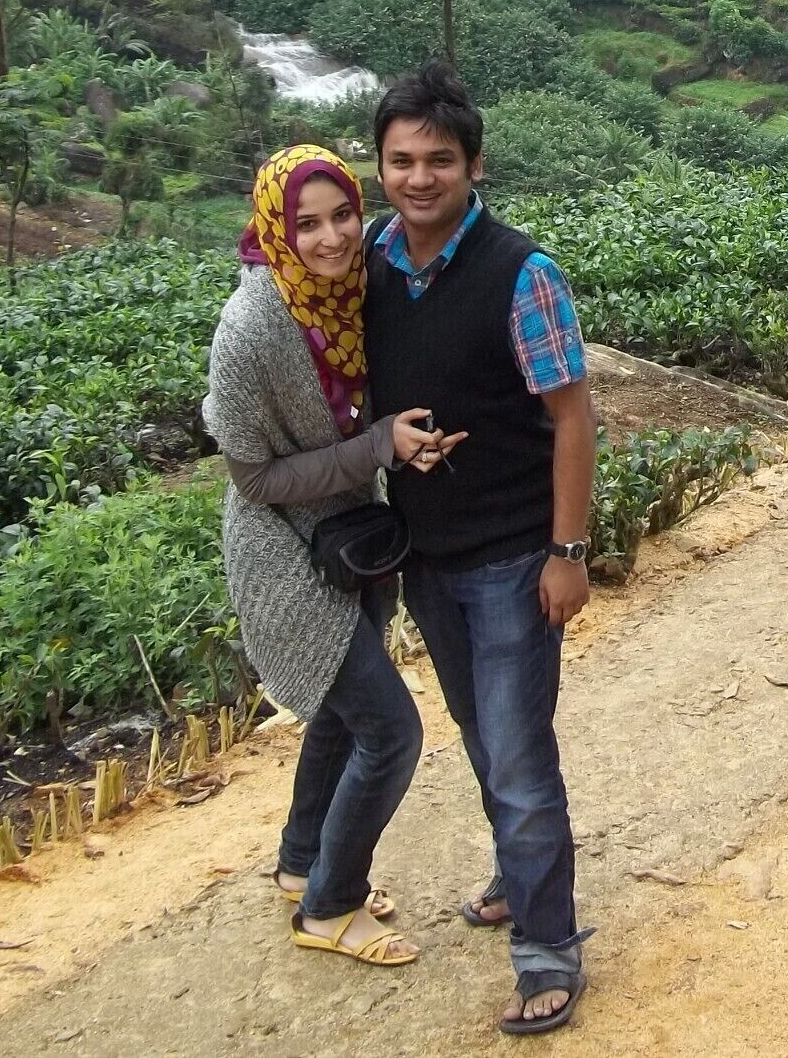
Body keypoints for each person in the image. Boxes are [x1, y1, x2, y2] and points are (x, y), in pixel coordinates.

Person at [364, 64, 597, 1036]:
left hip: (510, 556)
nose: (419, 179)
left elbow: (574, 417)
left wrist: (567, 550)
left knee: (518, 754)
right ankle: (516, 871)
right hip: (428, 555)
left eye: (440, 161)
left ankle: (548, 949)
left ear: (474, 166)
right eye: (401, 161)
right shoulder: (372, 258)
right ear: (380, 167)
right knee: (479, 731)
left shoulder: (522, 272)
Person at [207, 144, 460, 967]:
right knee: (390, 731)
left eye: (343, 215)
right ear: (274, 230)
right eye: (306, 224)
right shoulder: (250, 329)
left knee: (340, 714)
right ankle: (329, 905)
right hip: (282, 552)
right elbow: (254, 477)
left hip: (353, 535)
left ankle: (301, 863)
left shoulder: (353, 291)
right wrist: (376, 448)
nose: (330, 238)